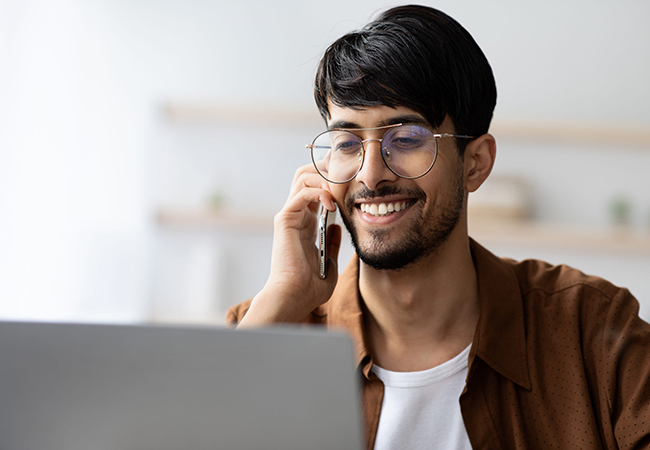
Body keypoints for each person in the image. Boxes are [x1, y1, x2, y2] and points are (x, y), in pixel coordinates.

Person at [227, 5, 650, 449]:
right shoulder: (266, 328)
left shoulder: (593, 333)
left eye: (406, 139)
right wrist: (279, 304)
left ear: (476, 163)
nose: (371, 175)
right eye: (348, 142)